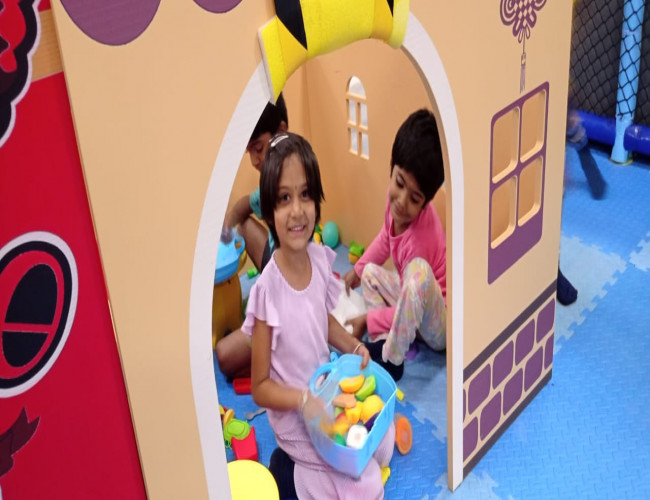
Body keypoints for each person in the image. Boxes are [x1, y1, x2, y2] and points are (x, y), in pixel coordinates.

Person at [243, 132, 394, 499]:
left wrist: (354, 345)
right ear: (269, 210)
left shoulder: (319, 258)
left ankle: (315, 471)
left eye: (305, 194)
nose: (297, 210)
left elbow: (321, 321)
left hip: (325, 391)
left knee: (384, 439)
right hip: (298, 417)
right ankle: (289, 473)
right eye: (284, 198)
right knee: (367, 485)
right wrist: (301, 400)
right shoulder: (267, 292)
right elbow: (259, 387)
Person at [343, 109, 447, 382]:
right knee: (369, 273)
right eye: (399, 184)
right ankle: (383, 342)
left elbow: (412, 299)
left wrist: (368, 320)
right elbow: (384, 238)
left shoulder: (421, 238)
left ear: (425, 203)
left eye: (414, 199)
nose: (401, 202)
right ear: (392, 168)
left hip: (437, 324)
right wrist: (358, 269)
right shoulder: (396, 207)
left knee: (417, 274)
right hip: (410, 300)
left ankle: (392, 359)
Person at [216, 95, 288, 378]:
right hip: (275, 270)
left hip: (289, 300)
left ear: (281, 132)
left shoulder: (291, 183)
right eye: (250, 152)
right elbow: (243, 206)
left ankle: (278, 353)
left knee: (224, 355)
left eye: (258, 148)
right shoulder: (270, 180)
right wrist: (224, 236)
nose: (255, 160)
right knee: (244, 224)